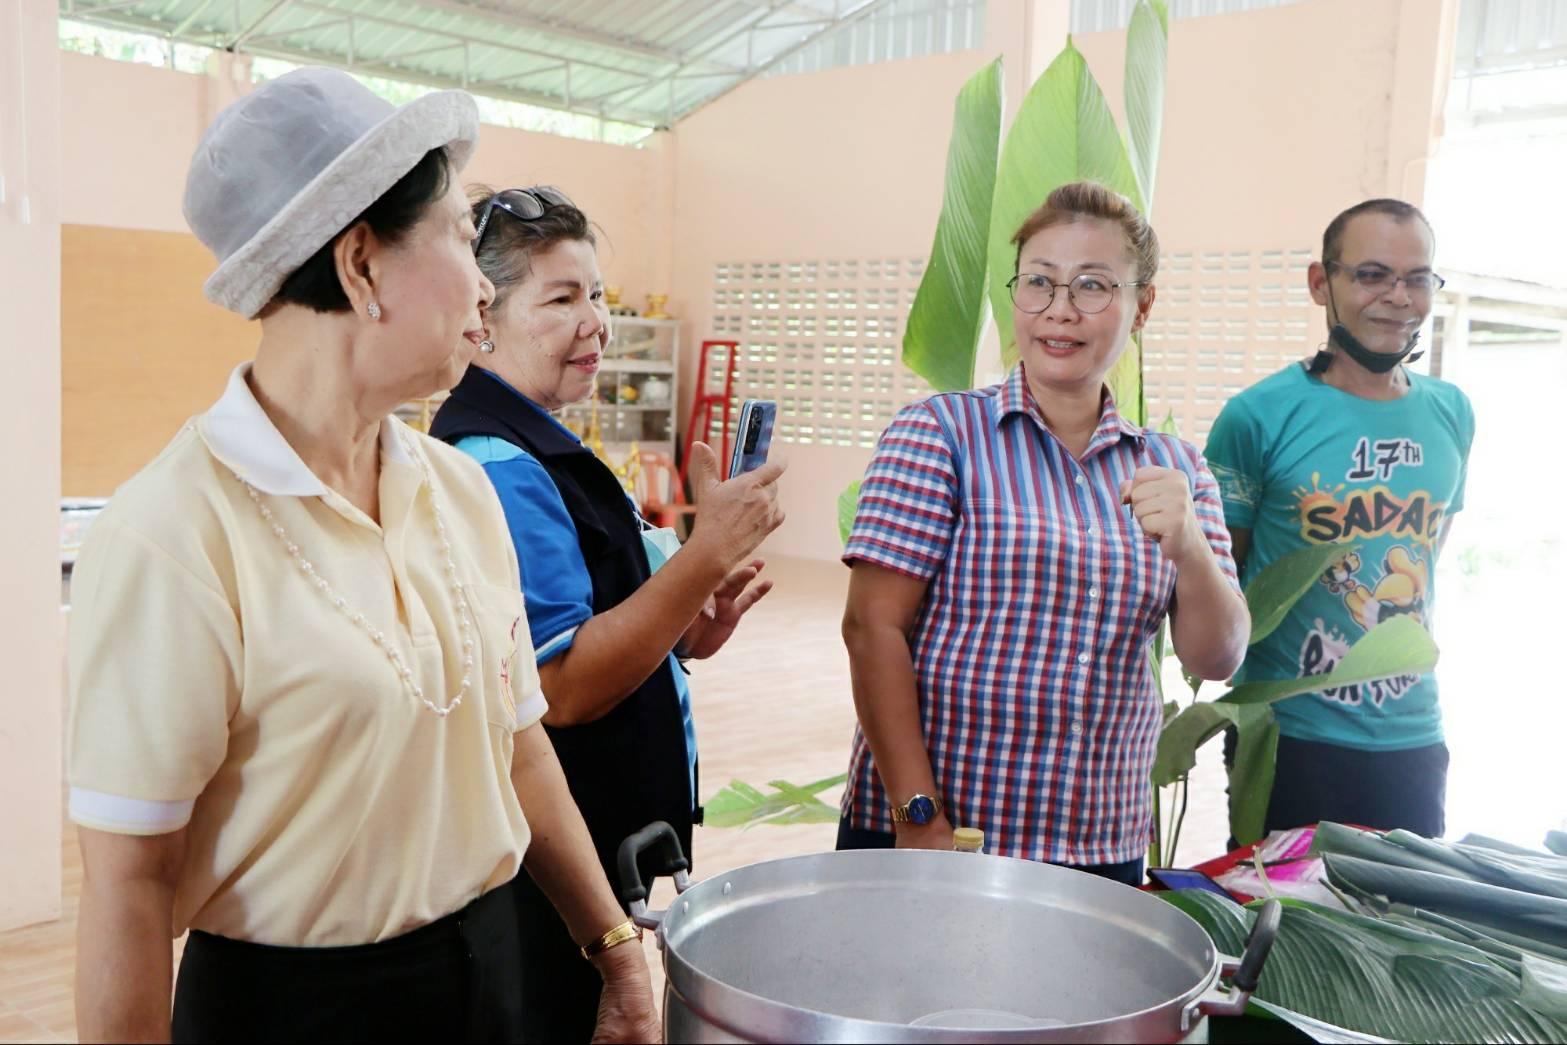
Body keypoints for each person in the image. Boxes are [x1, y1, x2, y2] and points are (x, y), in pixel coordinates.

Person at [67, 68, 658, 1043]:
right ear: (360, 265)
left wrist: (614, 948)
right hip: (296, 1013)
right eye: (462, 240)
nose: (483, 287)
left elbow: (518, 747)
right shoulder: (174, 533)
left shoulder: (456, 489)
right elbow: (129, 884)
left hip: (493, 974)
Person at [429, 185, 785, 1041]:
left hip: (599, 849)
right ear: (482, 315)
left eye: (595, 294)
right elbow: (563, 687)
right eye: (560, 299)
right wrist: (702, 556)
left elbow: (607, 620)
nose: (595, 322)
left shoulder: (542, 442)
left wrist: (691, 623)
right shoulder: (498, 464)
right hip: (549, 874)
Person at [837, 181, 1249, 885]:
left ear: (1142, 305)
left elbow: (1217, 656)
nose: (1060, 310)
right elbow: (872, 628)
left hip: (1096, 842)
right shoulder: (940, 434)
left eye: (1092, 286)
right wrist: (916, 813)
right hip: (939, 832)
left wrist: (1188, 549)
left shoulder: (1175, 468)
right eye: (1038, 282)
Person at [1206, 198, 1474, 838]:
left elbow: (1425, 554)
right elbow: (1222, 578)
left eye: (1416, 278)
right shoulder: (1256, 417)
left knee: (1403, 905)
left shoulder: (1453, 413)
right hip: (1289, 736)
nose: (1398, 297)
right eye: (1372, 274)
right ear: (1320, 283)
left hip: (1414, 737)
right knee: (1283, 905)